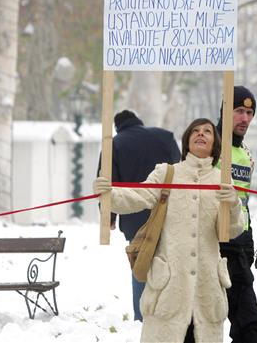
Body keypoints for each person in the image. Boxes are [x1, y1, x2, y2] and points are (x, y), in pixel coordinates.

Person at [93, 118, 244, 343]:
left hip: (206, 291)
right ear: (186, 141)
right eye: (195, 131)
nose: (200, 134)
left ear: (215, 142)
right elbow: (137, 197)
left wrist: (233, 203)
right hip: (169, 289)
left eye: (207, 131)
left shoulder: (222, 180)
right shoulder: (167, 173)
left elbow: (232, 230)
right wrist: (108, 193)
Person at [97, 110, 181, 322]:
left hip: (135, 216)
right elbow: (181, 170)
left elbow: (108, 183)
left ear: (118, 127)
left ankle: (142, 317)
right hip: (168, 211)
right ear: (139, 121)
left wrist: (109, 218)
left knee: (141, 265)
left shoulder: (113, 145)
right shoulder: (165, 136)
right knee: (171, 264)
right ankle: (170, 315)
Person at [217, 86, 257, 343]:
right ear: (225, 111)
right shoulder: (210, 144)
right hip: (210, 248)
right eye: (238, 111)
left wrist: (247, 242)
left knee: (250, 329)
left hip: (238, 249)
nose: (245, 118)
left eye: (249, 112)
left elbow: (243, 203)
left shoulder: (246, 154)